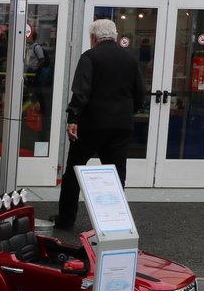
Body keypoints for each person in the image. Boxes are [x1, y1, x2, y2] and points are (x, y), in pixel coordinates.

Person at [53, 18, 147, 230]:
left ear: (94, 38)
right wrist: (126, 112)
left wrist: (73, 118)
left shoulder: (90, 57)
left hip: (92, 124)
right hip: (120, 125)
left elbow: (81, 91)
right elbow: (140, 94)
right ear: (115, 36)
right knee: (116, 174)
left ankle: (66, 219)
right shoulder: (130, 59)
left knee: (74, 171)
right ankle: (113, 221)